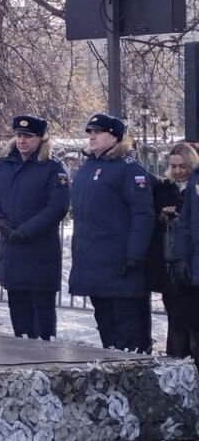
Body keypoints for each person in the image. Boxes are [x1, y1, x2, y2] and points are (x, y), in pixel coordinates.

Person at [68, 113, 154, 353]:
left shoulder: (128, 169)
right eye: (90, 132)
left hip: (120, 264)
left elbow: (142, 215)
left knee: (128, 331)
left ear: (114, 137)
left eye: (98, 132)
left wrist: (134, 255)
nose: (92, 136)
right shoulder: (88, 167)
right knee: (106, 329)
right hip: (94, 262)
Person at [0, 115, 69, 340]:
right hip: (11, 250)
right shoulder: (5, 164)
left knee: (42, 320)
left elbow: (57, 207)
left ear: (40, 139)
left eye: (28, 136)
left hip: (39, 253)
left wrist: (26, 230)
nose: (22, 141)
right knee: (19, 315)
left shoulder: (52, 167)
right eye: (19, 135)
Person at [154, 143, 199, 359]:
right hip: (172, 263)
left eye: (183, 166)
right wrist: (162, 217)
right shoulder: (163, 188)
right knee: (176, 319)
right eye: (174, 166)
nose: (178, 171)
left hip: (190, 260)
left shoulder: (194, 186)